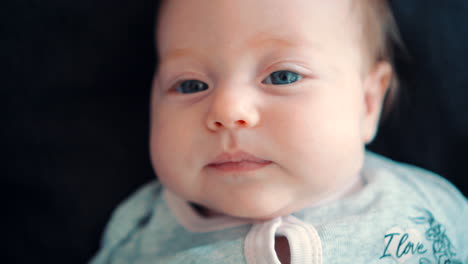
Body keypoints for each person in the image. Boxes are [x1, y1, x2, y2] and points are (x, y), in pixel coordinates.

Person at [90, 0, 467, 263]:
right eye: (190, 85)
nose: (227, 110)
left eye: (282, 76)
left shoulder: (427, 205)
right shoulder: (140, 230)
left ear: (367, 104)